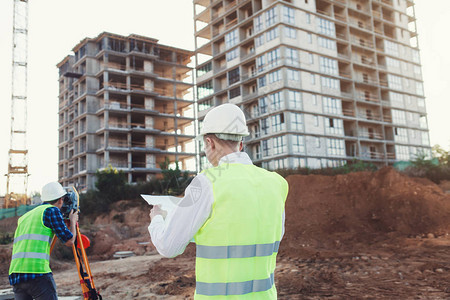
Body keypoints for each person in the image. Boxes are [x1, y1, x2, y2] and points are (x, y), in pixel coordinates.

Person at [149, 103, 288, 298]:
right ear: (241, 144)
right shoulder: (276, 183)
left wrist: (157, 219)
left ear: (210, 143)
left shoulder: (206, 183)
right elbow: (266, 236)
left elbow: (168, 246)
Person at [9, 181, 79, 300]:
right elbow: (69, 241)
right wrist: (72, 221)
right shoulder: (52, 211)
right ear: (61, 199)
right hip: (37, 273)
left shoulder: (25, 217)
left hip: (16, 274)